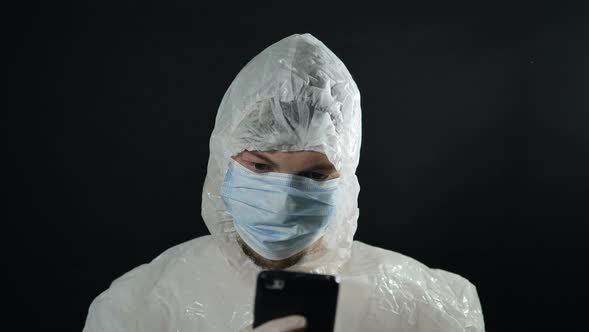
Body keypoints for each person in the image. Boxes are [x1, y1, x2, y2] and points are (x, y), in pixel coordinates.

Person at [83, 33, 485, 332]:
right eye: (260, 166)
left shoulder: (429, 308)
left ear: (345, 179)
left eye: (314, 174)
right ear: (224, 163)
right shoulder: (138, 307)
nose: (284, 199)